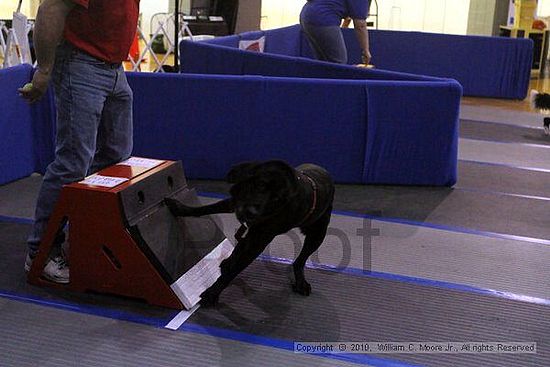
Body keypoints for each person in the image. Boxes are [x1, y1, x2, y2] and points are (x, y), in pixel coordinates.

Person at [19, 0, 140, 283]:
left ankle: (86, 240)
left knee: (116, 158)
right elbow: (51, 9)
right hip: (80, 64)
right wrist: (44, 70)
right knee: (72, 163)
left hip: (114, 70)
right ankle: (41, 253)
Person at [300, 0, 371, 65]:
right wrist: (365, 50)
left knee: (323, 61)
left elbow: (350, 16)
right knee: (339, 62)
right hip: (323, 18)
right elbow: (360, 26)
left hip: (307, 15)